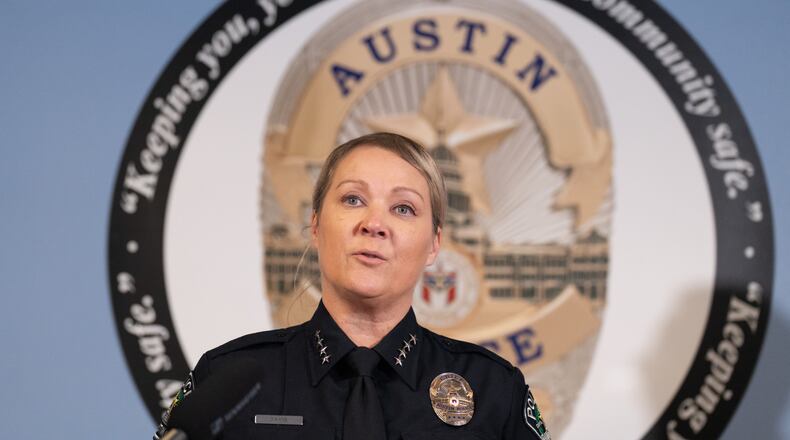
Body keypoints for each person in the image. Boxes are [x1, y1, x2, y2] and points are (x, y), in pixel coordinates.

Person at [155, 133, 551, 440]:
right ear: (315, 225)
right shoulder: (225, 380)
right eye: (353, 199)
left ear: (434, 244)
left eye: (403, 208)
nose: (374, 223)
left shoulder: (494, 390)